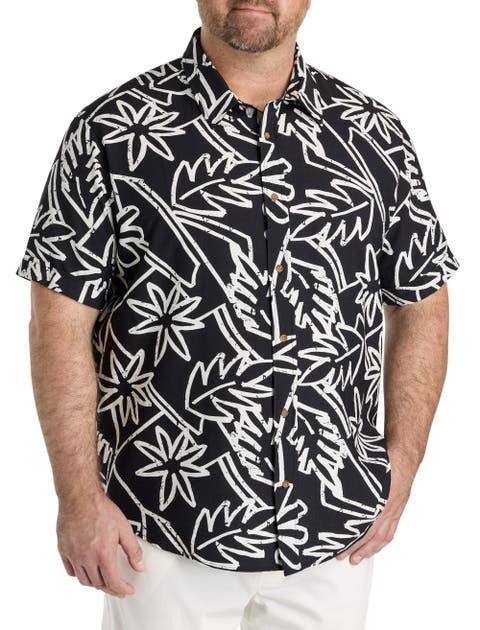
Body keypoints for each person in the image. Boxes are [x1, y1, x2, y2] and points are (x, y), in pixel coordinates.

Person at [15, 1, 461, 629]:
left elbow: (422, 303)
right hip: (159, 533)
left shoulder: (374, 137)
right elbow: (59, 322)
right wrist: (77, 497)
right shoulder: (110, 132)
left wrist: (403, 467)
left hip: (334, 531)